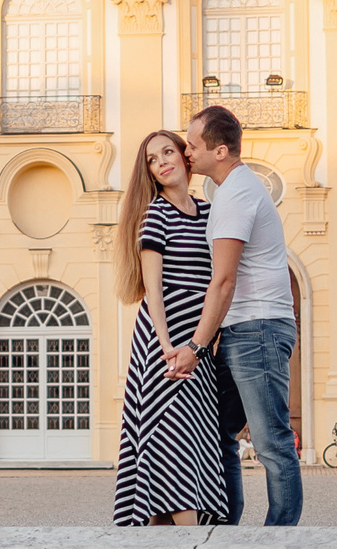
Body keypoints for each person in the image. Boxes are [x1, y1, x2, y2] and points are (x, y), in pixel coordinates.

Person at [170, 105, 303, 527]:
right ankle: (225, 531)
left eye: (193, 145)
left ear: (221, 151)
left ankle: (279, 540)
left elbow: (224, 280)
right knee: (220, 433)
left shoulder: (236, 195)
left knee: (271, 442)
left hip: (257, 329)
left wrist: (195, 346)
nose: (186, 152)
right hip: (242, 329)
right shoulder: (226, 191)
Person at [111, 131, 226, 527]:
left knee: (187, 442)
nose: (161, 162)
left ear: (184, 156)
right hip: (163, 347)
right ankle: (194, 547)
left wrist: (206, 343)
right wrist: (166, 349)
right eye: (151, 159)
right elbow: (154, 292)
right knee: (170, 441)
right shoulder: (155, 215)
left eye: (167, 152)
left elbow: (221, 281)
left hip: (198, 347)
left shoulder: (210, 212)